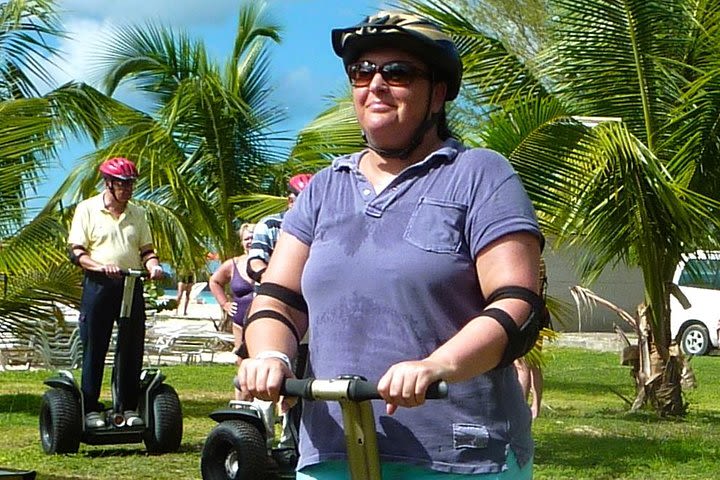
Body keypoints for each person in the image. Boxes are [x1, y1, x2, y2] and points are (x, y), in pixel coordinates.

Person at [238, 11, 546, 479]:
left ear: (438, 94)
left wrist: (438, 366)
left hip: (458, 455)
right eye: (363, 71)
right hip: (331, 450)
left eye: (397, 72)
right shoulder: (324, 188)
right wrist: (270, 356)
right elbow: (279, 299)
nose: (376, 84)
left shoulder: (480, 174)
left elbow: (516, 303)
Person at [68, 157, 164, 430]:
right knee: (95, 347)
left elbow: (146, 249)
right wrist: (99, 266)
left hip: (131, 285)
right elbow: (76, 252)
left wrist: (153, 265)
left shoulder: (138, 213)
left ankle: (127, 407)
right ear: (108, 184)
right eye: (122, 184)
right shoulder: (87, 209)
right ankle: (90, 409)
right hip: (99, 285)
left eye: (131, 184)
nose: (128, 189)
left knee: (131, 347)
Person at [245, 174, 313, 457]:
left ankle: (293, 441)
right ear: (290, 200)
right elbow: (255, 261)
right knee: (267, 374)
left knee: (303, 376)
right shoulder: (271, 225)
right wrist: (276, 281)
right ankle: (258, 441)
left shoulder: (321, 226)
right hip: (273, 310)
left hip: (309, 311)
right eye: (301, 199)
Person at [208, 222, 256, 400]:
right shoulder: (233, 264)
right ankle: (242, 404)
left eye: (253, 238)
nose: (250, 241)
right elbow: (214, 282)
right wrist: (224, 304)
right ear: (242, 242)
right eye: (246, 239)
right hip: (240, 322)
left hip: (263, 321)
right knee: (242, 362)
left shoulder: (271, 260)